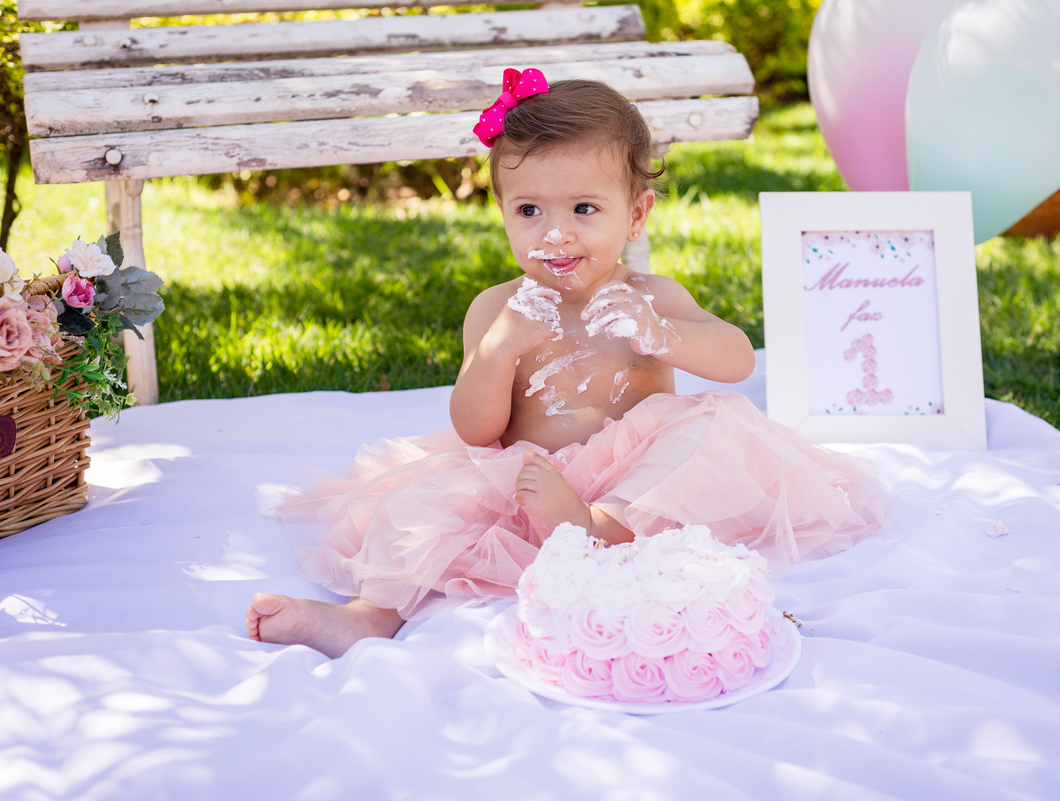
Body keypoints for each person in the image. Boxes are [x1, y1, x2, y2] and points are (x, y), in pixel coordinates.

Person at [246, 69, 890, 658]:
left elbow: (737, 359)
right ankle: (368, 615)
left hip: (635, 490)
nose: (555, 234)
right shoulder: (495, 309)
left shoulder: (650, 297)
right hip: (528, 486)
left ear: (636, 215)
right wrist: (499, 350)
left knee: (712, 424)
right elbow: (475, 430)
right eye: (530, 211)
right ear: (503, 213)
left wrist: (661, 334)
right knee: (421, 506)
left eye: (584, 209)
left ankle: (599, 530)